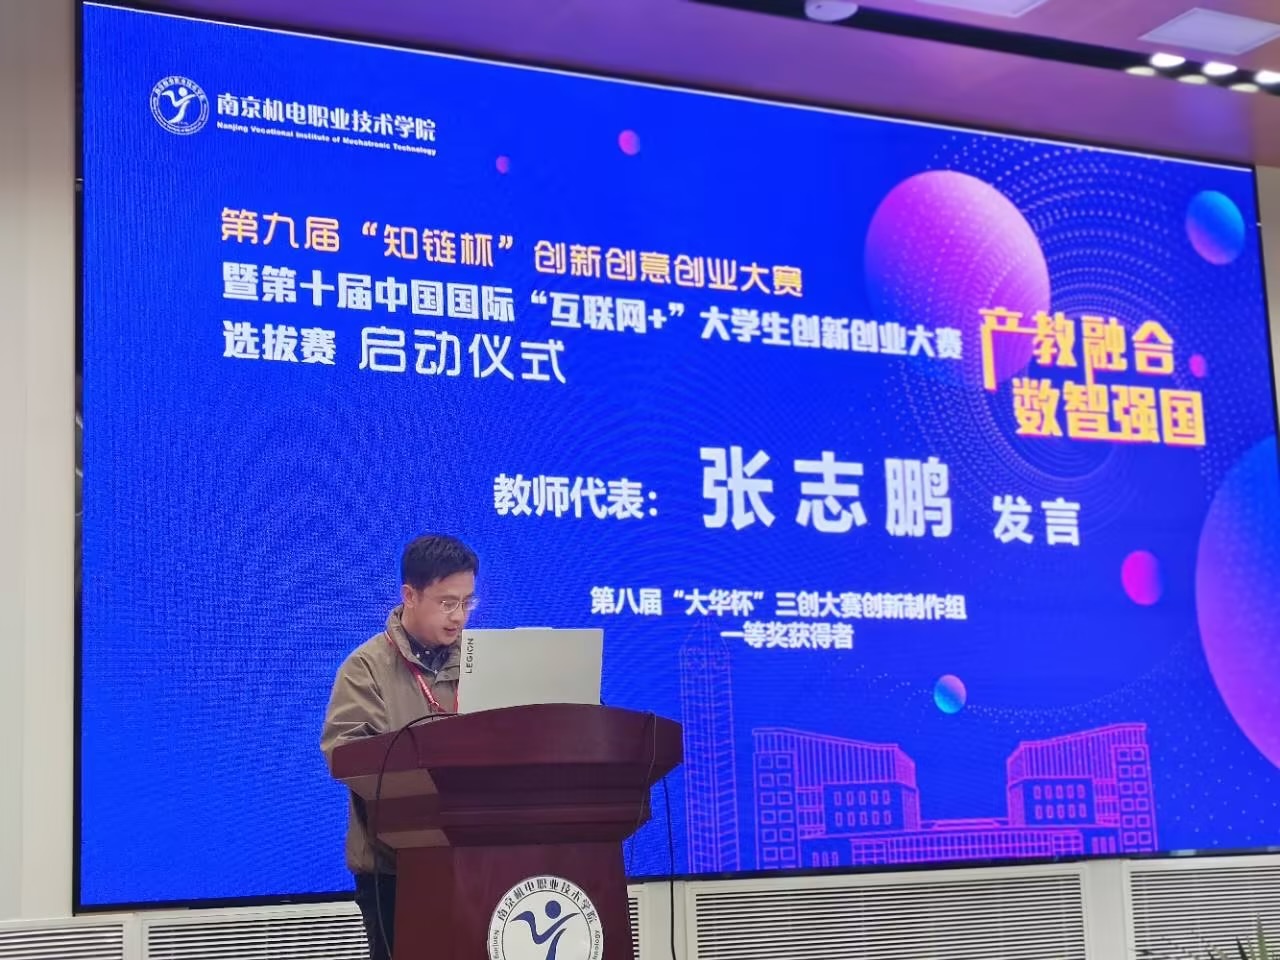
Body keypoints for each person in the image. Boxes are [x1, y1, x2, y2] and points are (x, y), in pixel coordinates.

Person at [320, 534, 479, 960]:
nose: (459, 616)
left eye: (467, 602)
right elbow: (345, 754)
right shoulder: (366, 668)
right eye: (447, 603)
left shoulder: (482, 661)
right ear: (410, 596)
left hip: (479, 860)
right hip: (395, 869)